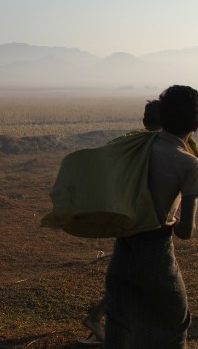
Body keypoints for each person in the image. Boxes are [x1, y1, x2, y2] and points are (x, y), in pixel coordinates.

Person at [104, 86, 198, 348]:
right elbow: (186, 231)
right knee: (175, 323)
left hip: (122, 250)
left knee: (120, 328)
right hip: (157, 255)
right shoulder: (188, 163)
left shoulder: (135, 148)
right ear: (196, 123)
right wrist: (170, 217)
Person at [80, 100, 162, 345]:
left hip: (127, 217)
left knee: (127, 276)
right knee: (135, 278)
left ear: (144, 120)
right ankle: (100, 319)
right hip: (146, 221)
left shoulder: (130, 143)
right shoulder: (161, 147)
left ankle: (100, 319)